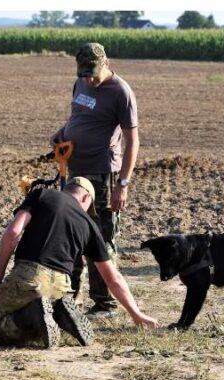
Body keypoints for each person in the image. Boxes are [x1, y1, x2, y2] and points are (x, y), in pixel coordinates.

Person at [0, 178, 157, 346]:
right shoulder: (90, 225)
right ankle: (57, 313)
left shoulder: (42, 195)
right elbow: (113, 278)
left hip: (29, 276)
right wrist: (136, 315)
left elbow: (13, 232)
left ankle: (28, 318)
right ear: (86, 199)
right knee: (38, 311)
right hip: (61, 288)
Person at [51, 42, 139, 315]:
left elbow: (132, 140)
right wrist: (62, 133)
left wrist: (122, 184)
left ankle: (105, 303)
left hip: (104, 174)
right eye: (83, 72)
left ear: (107, 63)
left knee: (101, 239)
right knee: (72, 233)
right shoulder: (80, 84)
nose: (88, 78)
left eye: (93, 72)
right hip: (74, 170)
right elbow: (77, 116)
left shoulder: (120, 92)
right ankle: (69, 299)